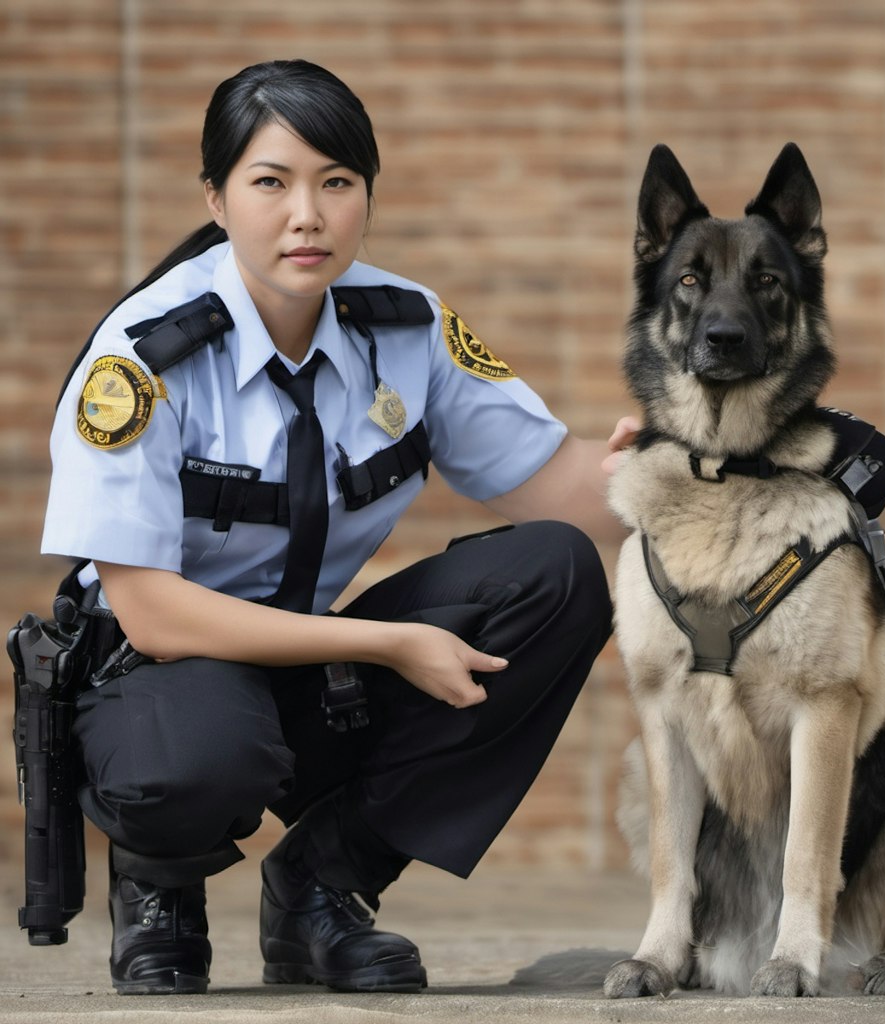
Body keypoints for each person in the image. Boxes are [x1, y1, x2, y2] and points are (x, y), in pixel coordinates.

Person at [40, 59, 627, 996]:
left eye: (336, 183)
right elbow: (150, 612)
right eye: (270, 182)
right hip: (159, 674)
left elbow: (561, 488)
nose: (306, 215)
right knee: (191, 759)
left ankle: (323, 884)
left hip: (304, 666)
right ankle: (159, 886)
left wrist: (687, 456)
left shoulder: (407, 328)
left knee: (556, 573)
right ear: (218, 198)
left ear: (366, 197)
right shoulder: (144, 356)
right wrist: (390, 641)